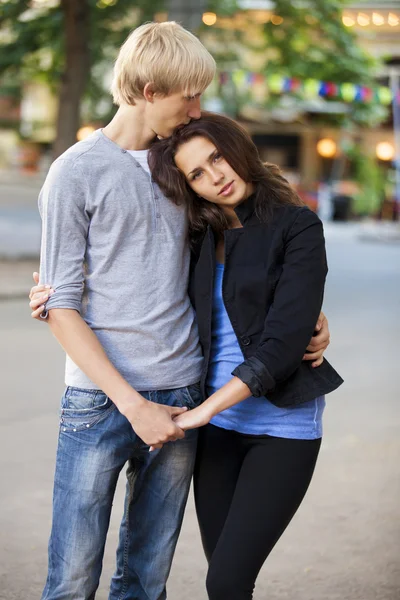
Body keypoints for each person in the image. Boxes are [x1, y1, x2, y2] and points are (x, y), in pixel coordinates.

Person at [28, 22, 331, 600]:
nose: (198, 109)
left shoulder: (182, 173)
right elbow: (63, 299)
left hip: (184, 393)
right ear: (148, 92)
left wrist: (307, 324)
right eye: (188, 95)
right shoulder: (76, 171)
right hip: (101, 398)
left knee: (146, 576)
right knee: (71, 577)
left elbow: (252, 265)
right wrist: (128, 400)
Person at [147, 111, 343, 600]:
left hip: (280, 428)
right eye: (196, 173)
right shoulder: (196, 236)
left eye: (216, 157)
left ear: (237, 149)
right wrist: (59, 293)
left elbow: (279, 348)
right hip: (216, 434)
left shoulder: (297, 225)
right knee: (228, 581)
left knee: (227, 579)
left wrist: (202, 412)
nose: (215, 176)